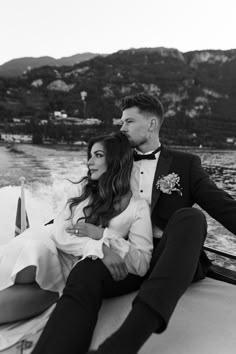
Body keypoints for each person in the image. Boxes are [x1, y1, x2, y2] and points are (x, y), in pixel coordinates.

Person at [33, 93, 236, 354]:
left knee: (191, 218)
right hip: (122, 254)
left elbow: (225, 207)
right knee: (85, 272)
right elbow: (85, 200)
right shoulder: (115, 160)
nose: (121, 127)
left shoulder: (186, 164)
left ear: (152, 124)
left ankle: (124, 342)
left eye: (129, 121)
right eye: (121, 122)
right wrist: (53, 227)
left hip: (170, 257)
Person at [0, 132, 153, 324]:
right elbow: (61, 233)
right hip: (49, 247)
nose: (89, 162)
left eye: (98, 155)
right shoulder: (80, 190)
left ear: (116, 160)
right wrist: (101, 249)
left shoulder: (138, 207)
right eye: (90, 155)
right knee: (32, 256)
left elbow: (141, 264)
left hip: (72, 273)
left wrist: (102, 234)